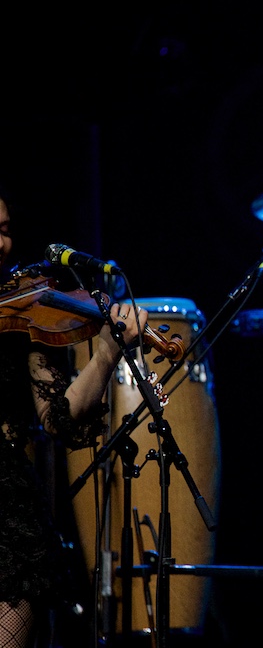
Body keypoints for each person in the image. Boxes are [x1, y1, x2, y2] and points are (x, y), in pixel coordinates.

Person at [0, 188, 148, 648]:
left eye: (4, 230)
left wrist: (105, 353)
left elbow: (59, 420)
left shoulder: (25, 312)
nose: (1, 243)